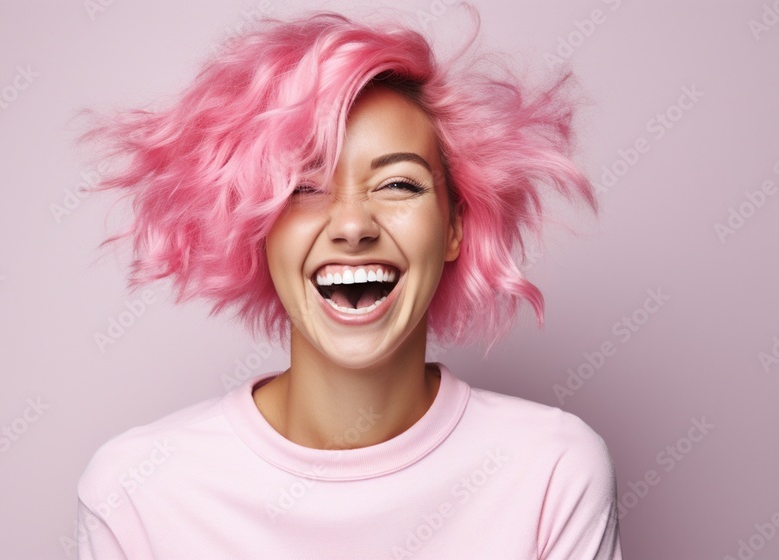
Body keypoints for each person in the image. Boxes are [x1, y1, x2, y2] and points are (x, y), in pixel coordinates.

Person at [74, 5, 622, 559]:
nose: (354, 225)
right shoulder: (139, 492)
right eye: (304, 188)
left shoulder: (551, 472)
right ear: (255, 227)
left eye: (399, 185)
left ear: (456, 225)